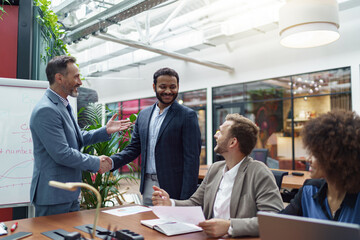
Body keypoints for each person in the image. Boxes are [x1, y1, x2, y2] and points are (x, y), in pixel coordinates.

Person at [30, 55, 131, 217]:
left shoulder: (62, 105)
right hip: (54, 195)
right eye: (76, 76)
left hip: (68, 192)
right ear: (59, 78)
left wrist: (105, 131)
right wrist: (96, 162)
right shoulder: (46, 110)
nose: (80, 82)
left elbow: (76, 138)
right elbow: (62, 153)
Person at [152, 113, 283, 237]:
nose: (216, 135)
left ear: (232, 142)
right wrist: (171, 203)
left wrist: (229, 226)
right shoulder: (215, 169)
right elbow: (195, 203)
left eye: (220, 132)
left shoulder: (259, 172)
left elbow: (273, 220)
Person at [110, 67, 201, 206]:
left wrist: (186, 199)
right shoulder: (144, 115)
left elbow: (192, 159)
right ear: (154, 87)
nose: (168, 91)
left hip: (173, 187)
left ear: (178, 87)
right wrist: (111, 162)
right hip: (147, 186)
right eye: (163, 87)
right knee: (146, 223)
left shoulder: (187, 116)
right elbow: (134, 148)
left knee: (171, 225)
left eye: (173, 87)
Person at [281, 109, 360, 224]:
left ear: (335, 159)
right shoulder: (309, 190)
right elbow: (279, 224)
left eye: (315, 155)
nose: (308, 159)